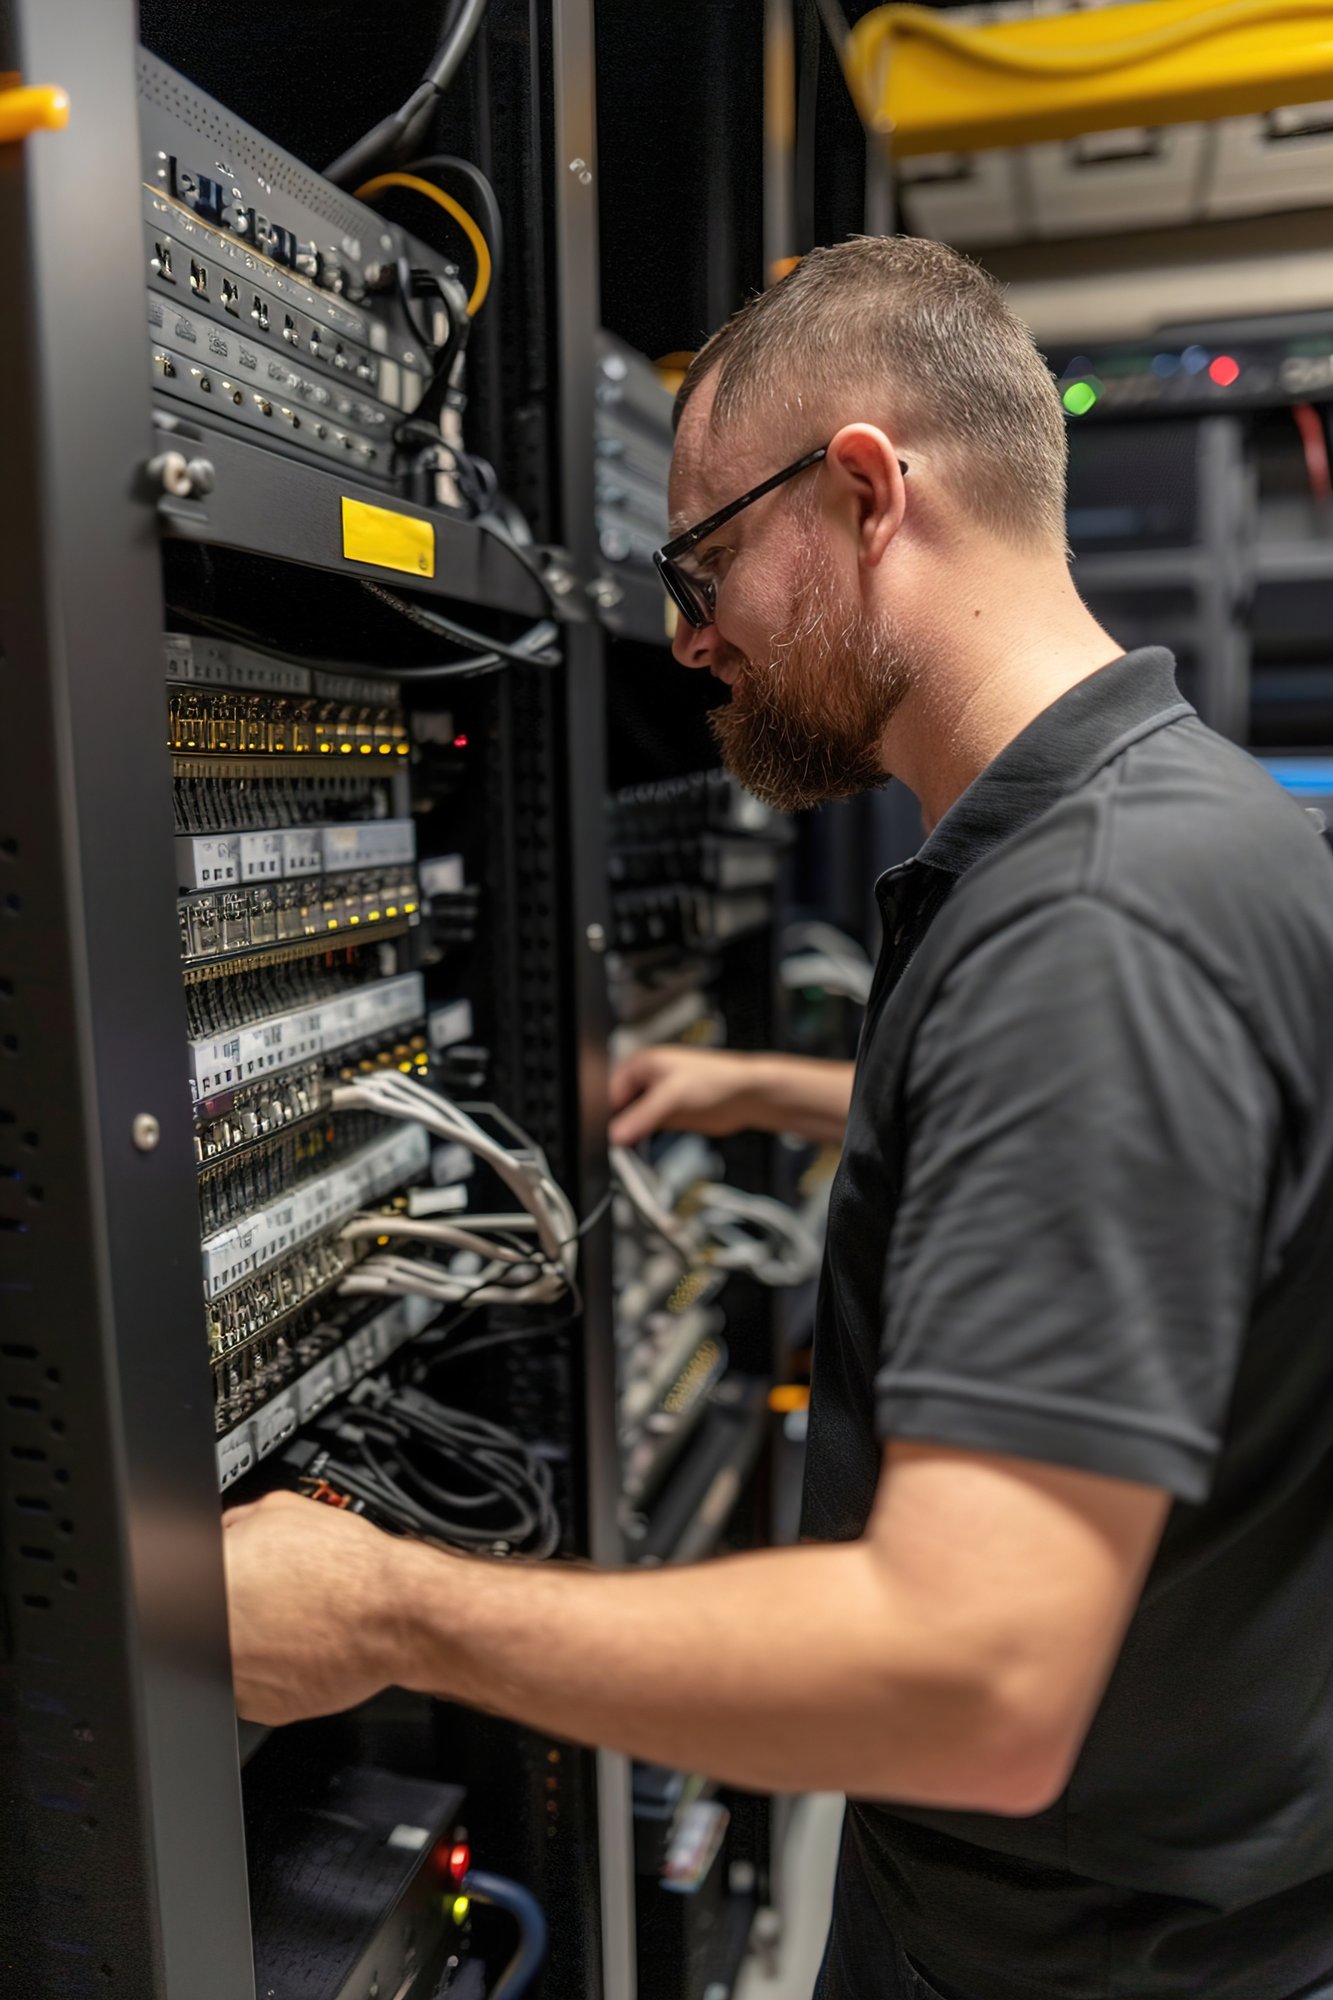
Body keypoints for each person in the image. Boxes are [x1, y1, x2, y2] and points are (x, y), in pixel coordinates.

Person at [223, 237, 1333, 2000]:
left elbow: (970, 1682)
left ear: (866, 489)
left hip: (1074, 1959)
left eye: (705, 558)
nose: (684, 634)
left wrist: (383, 1610)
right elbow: (1168, 1162)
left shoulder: (1092, 931)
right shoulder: (1200, 829)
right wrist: (775, 1087)